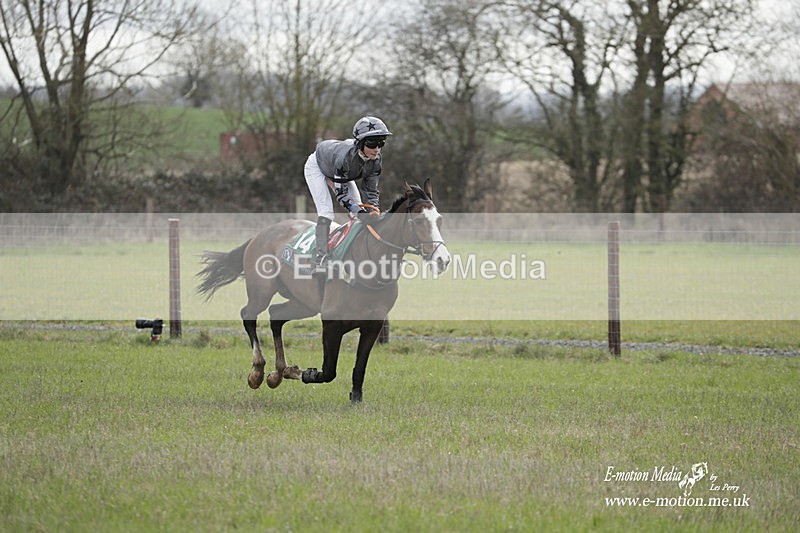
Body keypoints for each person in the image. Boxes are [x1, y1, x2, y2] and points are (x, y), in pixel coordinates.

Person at [304, 116, 392, 274]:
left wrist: (373, 210)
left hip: (341, 173)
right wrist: (357, 210)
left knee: (359, 213)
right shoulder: (345, 158)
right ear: (360, 143)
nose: (377, 149)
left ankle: (356, 255)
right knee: (327, 213)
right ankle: (320, 259)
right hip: (317, 167)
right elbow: (341, 194)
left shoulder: (376, 160)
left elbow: (370, 190)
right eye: (372, 143)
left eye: (381, 143)